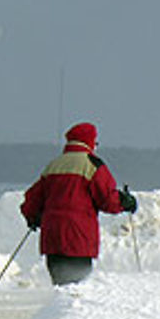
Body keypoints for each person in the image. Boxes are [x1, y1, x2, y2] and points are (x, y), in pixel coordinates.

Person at [21, 122, 137, 286]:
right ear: (89, 141)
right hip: (78, 239)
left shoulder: (54, 165)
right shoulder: (92, 165)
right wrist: (125, 202)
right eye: (95, 142)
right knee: (76, 289)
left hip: (53, 239)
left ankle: (59, 311)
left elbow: (31, 199)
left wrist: (33, 217)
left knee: (60, 287)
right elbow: (107, 200)